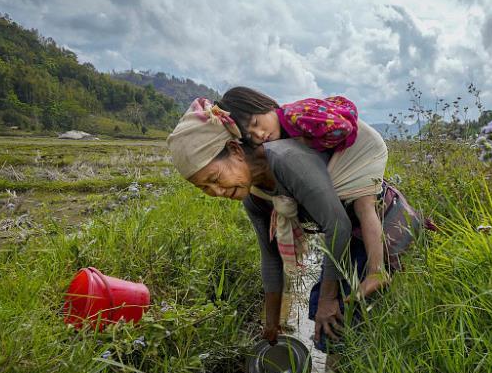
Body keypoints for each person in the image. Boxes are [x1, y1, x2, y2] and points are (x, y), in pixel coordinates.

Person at [165, 97, 387, 346]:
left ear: (235, 150)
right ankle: (332, 368)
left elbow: (337, 226)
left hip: (376, 226)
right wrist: (271, 322)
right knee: (327, 324)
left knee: (340, 321)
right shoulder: (255, 195)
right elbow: (271, 257)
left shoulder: (286, 160)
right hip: (345, 233)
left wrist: (328, 299)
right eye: (204, 188)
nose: (216, 191)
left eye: (215, 178)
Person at [217, 87, 389, 300]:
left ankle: (376, 272)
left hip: (362, 148)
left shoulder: (297, 116)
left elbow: (344, 128)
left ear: (266, 105)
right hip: (344, 151)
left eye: (256, 123)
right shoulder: (277, 140)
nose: (260, 135)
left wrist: (306, 143)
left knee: (364, 205)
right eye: (251, 136)